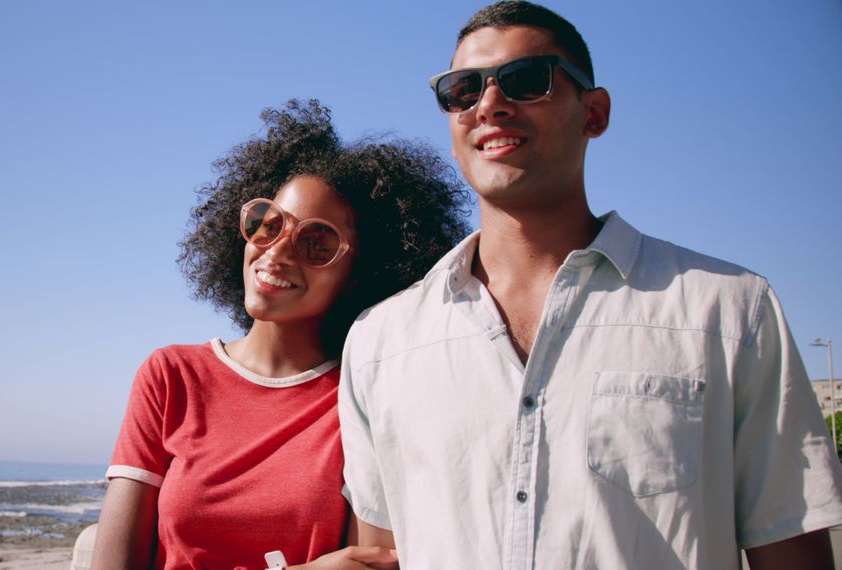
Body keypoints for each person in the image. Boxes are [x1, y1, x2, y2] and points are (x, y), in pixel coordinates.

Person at [338, 2, 842, 569]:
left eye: (526, 80)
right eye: (462, 89)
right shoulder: (381, 342)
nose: (489, 104)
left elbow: (791, 548)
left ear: (594, 113)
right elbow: (379, 557)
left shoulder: (729, 311)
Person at [92, 99, 470, 569]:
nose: (277, 253)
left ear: (359, 273)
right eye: (268, 225)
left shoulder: (362, 396)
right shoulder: (171, 376)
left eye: (316, 243)